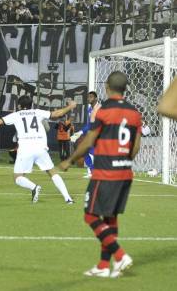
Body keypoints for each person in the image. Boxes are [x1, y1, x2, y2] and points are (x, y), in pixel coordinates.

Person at [60, 71, 141, 278]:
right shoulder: (134, 113)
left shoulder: (104, 111)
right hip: (124, 173)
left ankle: (121, 255)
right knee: (110, 217)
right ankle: (104, 266)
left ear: (107, 87)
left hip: (106, 172)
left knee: (90, 215)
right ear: (125, 88)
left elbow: (89, 140)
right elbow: (134, 149)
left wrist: (70, 160)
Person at [0, 96, 76, 204]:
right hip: (40, 147)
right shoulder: (37, 112)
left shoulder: (16, 115)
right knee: (52, 172)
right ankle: (68, 198)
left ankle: (34, 187)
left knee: (18, 177)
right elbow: (56, 114)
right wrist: (70, 106)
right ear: (31, 105)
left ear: (20, 106)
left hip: (26, 148)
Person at [72, 91, 101, 178]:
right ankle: (92, 172)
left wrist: (80, 132)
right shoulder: (89, 109)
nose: (89, 99)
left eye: (91, 97)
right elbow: (89, 124)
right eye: (88, 97)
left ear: (96, 98)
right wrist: (80, 133)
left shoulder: (99, 108)